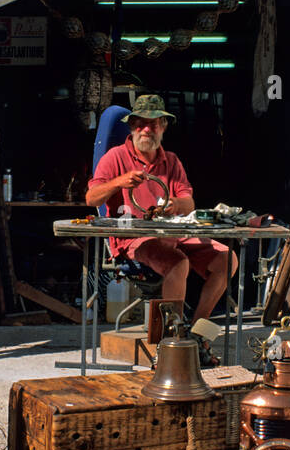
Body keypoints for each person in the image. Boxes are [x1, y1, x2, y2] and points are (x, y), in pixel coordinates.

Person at [85, 93, 237, 324]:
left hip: (173, 233)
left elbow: (189, 203)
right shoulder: (114, 157)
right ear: (132, 126)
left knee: (228, 259)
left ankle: (197, 329)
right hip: (133, 239)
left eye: (154, 124)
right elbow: (91, 199)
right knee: (178, 263)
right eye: (141, 124)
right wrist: (119, 182)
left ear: (163, 127)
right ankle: (171, 337)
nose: (147, 129)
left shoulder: (172, 161)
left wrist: (173, 204)